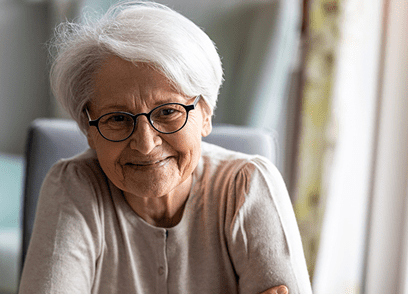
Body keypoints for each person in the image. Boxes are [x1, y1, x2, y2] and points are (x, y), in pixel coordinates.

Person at [18, 1, 312, 293]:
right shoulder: (74, 186)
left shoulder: (247, 186)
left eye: (168, 112)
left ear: (205, 114)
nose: (145, 145)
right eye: (118, 118)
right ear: (89, 129)